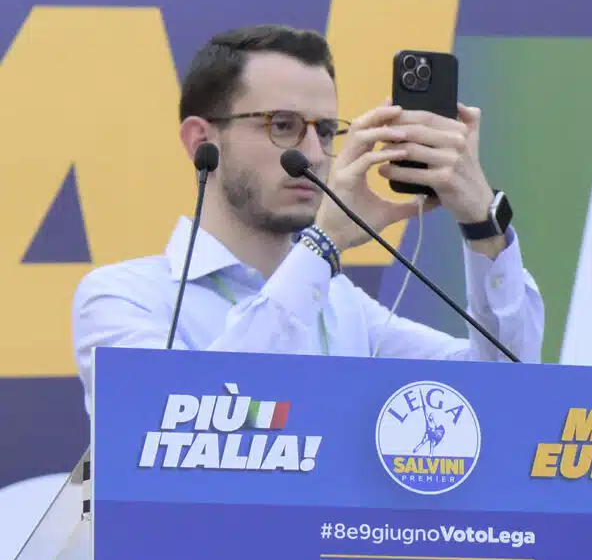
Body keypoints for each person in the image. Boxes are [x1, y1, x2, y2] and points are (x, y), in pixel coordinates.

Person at [72, 24, 542, 405]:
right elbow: (193, 423)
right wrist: (323, 244)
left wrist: (483, 225)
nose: (315, 154)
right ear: (201, 142)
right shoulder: (123, 297)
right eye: (283, 126)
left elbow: (504, 390)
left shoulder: (343, 306)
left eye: (326, 131)